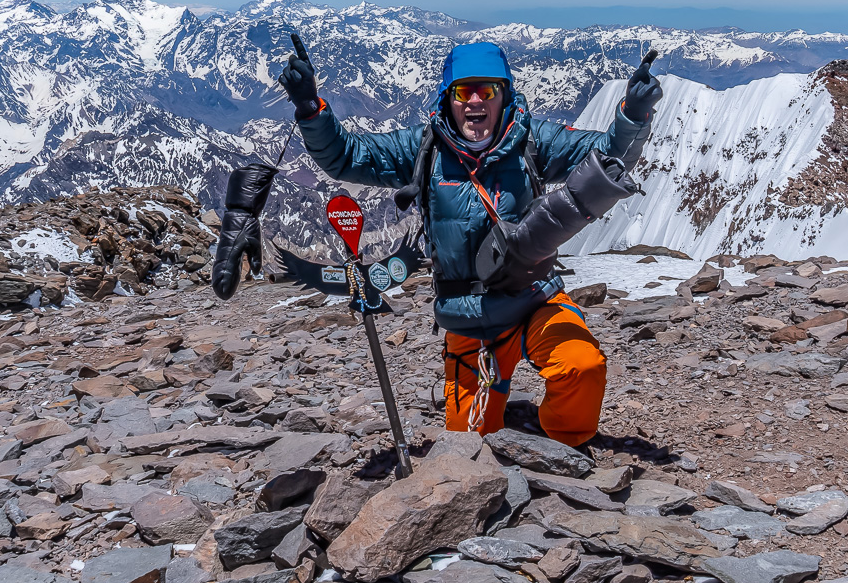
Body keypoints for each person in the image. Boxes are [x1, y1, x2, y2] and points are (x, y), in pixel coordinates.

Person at [279, 38, 661, 448]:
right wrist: (309, 108)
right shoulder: (422, 148)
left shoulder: (531, 142)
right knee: (468, 445)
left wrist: (632, 115)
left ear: (505, 96)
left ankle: (565, 445)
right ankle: (507, 414)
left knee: (581, 366)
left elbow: (604, 157)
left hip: (534, 296)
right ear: (449, 98)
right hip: (469, 317)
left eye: (488, 90)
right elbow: (345, 156)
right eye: (464, 91)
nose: (475, 101)